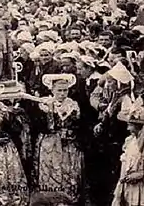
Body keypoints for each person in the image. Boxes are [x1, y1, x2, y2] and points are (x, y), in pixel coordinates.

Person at [33, 74, 85, 204]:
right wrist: (50, 110)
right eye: (59, 90)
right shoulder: (44, 104)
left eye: (65, 90)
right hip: (51, 143)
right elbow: (46, 126)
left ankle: (68, 198)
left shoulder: (72, 104)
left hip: (68, 143)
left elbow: (77, 124)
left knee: (69, 170)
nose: (62, 93)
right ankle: (52, 198)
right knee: (52, 170)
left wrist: (71, 132)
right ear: (52, 90)